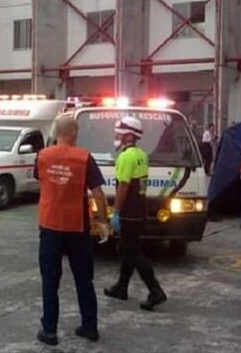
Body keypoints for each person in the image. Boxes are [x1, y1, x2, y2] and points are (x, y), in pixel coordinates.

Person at [35, 115, 108, 346]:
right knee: (84, 279)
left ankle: (49, 330)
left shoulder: (42, 156)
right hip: (77, 226)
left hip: (50, 225)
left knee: (50, 280)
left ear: (56, 132)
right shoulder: (84, 158)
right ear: (74, 133)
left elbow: (41, 180)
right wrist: (102, 220)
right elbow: (98, 193)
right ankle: (90, 326)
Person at [103, 116, 167, 311]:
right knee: (126, 249)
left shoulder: (126, 157)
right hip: (140, 209)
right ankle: (121, 287)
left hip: (128, 212)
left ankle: (155, 291)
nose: (117, 135)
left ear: (129, 136)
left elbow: (123, 186)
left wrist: (116, 211)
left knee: (133, 252)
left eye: (120, 133)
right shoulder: (141, 154)